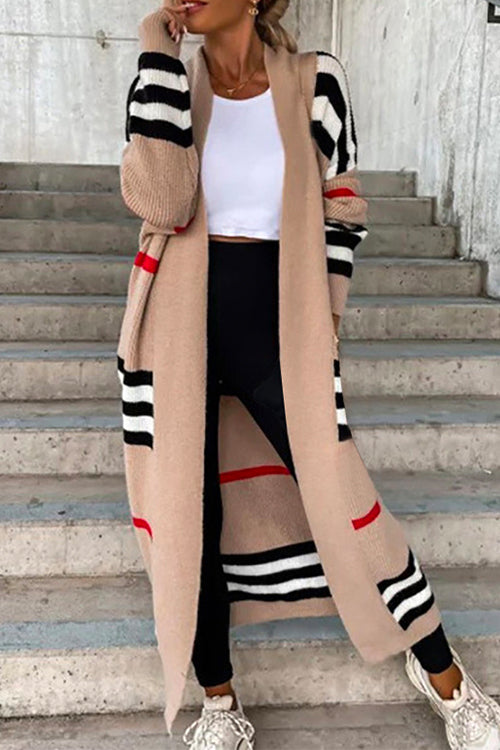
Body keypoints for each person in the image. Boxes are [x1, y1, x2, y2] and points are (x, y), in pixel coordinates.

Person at [119, 1, 500, 748]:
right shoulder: (165, 82)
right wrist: (156, 56)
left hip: (279, 325)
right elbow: (163, 201)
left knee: (342, 488)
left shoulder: (314, 81)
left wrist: (322, 321)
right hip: (175, 329)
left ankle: (444, 674)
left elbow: (342, 207)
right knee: (191, 515)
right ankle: (219, 703)